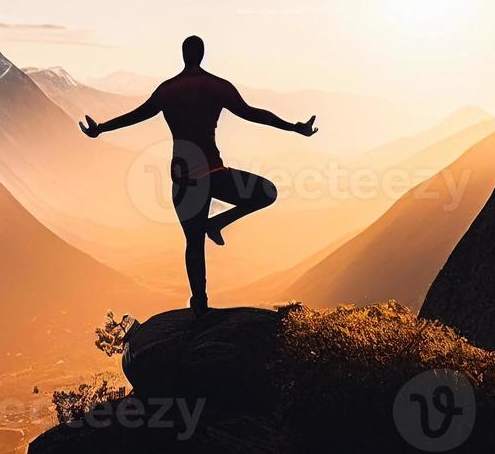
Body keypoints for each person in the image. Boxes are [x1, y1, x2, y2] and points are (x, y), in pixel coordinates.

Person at [80, 35, 317, 313]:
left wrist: (101, 129)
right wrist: (293, 127)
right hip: (214, 173)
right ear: (202, 55)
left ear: (183, 55)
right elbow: (253, 114)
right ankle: (218, 223)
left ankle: (200, 305)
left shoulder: (167, 90)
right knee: (266, 192)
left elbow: (137, 115)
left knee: (193, 244)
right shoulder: (217, 86)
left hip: (183, 179)